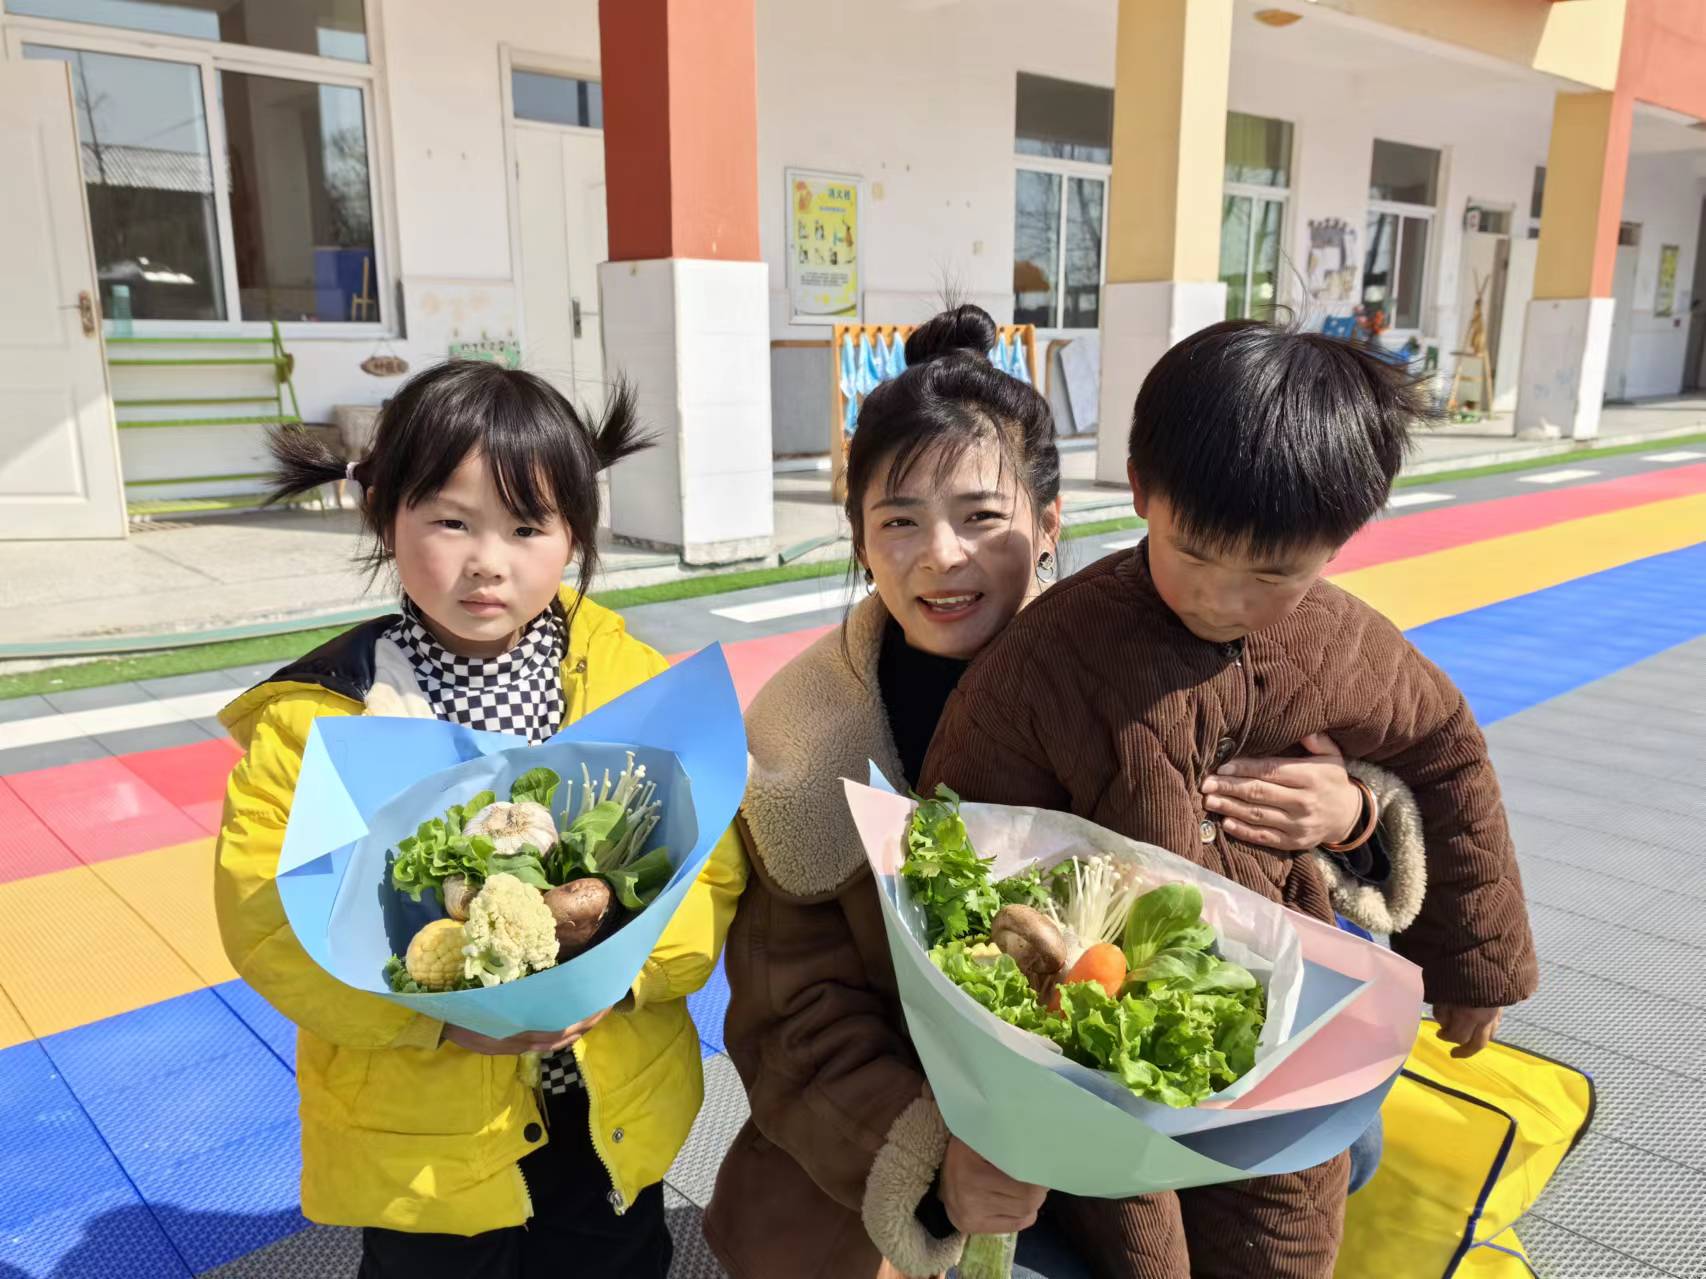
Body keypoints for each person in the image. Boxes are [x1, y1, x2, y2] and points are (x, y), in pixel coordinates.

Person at [703, 306, 1425, 1279]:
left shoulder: (1159, 655)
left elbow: (1292, 843)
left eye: (980, 517)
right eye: (898, 521)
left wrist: (1350, 813)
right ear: (858, 539)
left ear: (1049, 526)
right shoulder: (805, 741)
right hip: (921, 1151)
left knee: (1345, 1143)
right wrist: (935, 1166)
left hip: (1141, 1125)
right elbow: (792, 1023)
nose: (940, 555)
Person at [921, 319, 1538, 1278]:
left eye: (1274, 574)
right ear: (1139, 491)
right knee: (1136, 1236)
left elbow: (1446, 751)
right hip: (1096, 1045)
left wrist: (1475, 963)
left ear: (1338, 545)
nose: (1225, 599)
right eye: (1196, 553)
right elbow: (955, 837)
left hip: (1288, 1029)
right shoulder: (1049, 659)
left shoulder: (1340, 642)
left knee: (1286, 1226)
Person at [212, 361, 747, 1278]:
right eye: (451, 521)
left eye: (526, 526)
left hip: (606, 1101)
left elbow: (714, 865)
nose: (486, 561)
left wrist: (625, 982)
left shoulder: (632, 681)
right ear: (384, 515)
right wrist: (436, 1023)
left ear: (575, 534)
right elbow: (265, 912)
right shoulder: (324, 717)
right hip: (424, 1137)